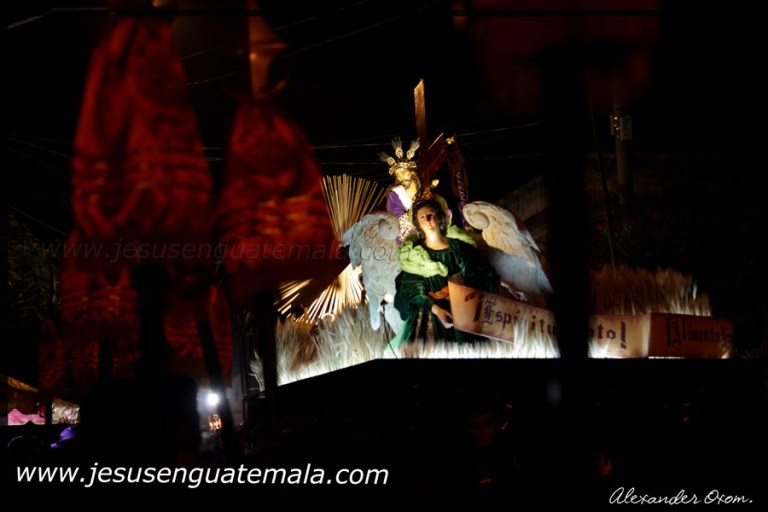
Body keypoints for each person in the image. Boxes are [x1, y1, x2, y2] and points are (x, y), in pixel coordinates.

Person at [393, 198, 499, 344]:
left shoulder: (458, 247)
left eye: (430, 215)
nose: (427, 220)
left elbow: (479, 271)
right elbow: (413, 290)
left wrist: (505, 283)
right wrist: (437, 310)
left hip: (463, 309)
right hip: (431, 314)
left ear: (439, 217)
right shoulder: (414, 255)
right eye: (422, 217)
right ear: (418, 224)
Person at [381, 138, 422, 243]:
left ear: (412, 172)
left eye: (403, 172)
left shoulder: (421, 191)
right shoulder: (395, 194)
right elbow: (396, 219)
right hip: (408, 239)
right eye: (398, 175)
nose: (401, 177)